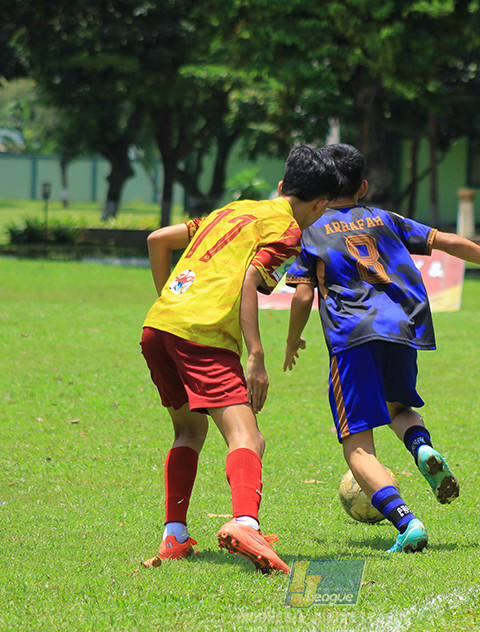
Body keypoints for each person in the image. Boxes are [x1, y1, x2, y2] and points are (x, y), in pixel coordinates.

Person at [283, 143, 480, 554]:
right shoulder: (384, 218)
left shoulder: (310, 229)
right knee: (398, 409)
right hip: (403, 327)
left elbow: (301, 297)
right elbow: (450, 242)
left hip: (353, 336)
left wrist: (292, 339)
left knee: (357, 444)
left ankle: (406, 522)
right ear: (363, 186)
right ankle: (421, 448)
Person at [140, 146, 339, 575]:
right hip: (204, 334)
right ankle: (246, 522)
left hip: (159, 325)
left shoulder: (234, 209)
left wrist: (168, 301)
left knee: (188, 432)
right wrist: (257, 354)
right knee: (248, 438)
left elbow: (158, 240)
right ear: (320, 205)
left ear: (283, 185)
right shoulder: (287, 231)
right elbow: (251, 279)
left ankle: (174, 535)